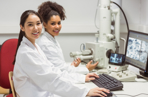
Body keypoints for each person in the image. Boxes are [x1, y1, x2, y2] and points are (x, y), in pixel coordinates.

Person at [13, 10, 110, 97]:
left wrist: (81, 78)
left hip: (44, 90)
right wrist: (85, 92)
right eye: (30, 25)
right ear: (22, 27)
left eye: (38, 23)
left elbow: (54, 70)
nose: (36, 28)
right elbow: (51, 80)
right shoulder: (27, 52)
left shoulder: (35, 47)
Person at [37, 1, 98, 75]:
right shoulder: (46, 44)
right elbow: (60, 69)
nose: (57, 26)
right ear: (45, 25)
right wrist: (86, 69)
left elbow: (59, 65)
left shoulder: (51, 39)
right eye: (53, 23)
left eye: (59, 23)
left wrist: (72, 66)